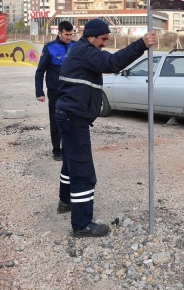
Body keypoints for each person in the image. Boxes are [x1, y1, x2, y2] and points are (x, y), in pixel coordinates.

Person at [55, 19, 156, 237]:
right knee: (83, 172)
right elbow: (112, 63)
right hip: (73, 118)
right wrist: (141, 44)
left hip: (68, 117)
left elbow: (107, 61)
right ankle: (81, 224)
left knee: (70, 163)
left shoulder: (80, 50)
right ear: (91, 36)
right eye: (102, 39)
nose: (104, 43)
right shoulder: (85, 51)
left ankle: (65, 202)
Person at [35, 21, 74, 161]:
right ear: (59, 33)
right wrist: (39, 91)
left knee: (71, 120)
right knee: (56, 119)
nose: (69, 37)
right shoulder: (50, 48)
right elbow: (40, 72)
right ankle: (57, 150)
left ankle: (68, 148)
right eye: (66, 34)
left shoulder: (75, 46)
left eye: (71, 34)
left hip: (71, 91)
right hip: (55, 90)